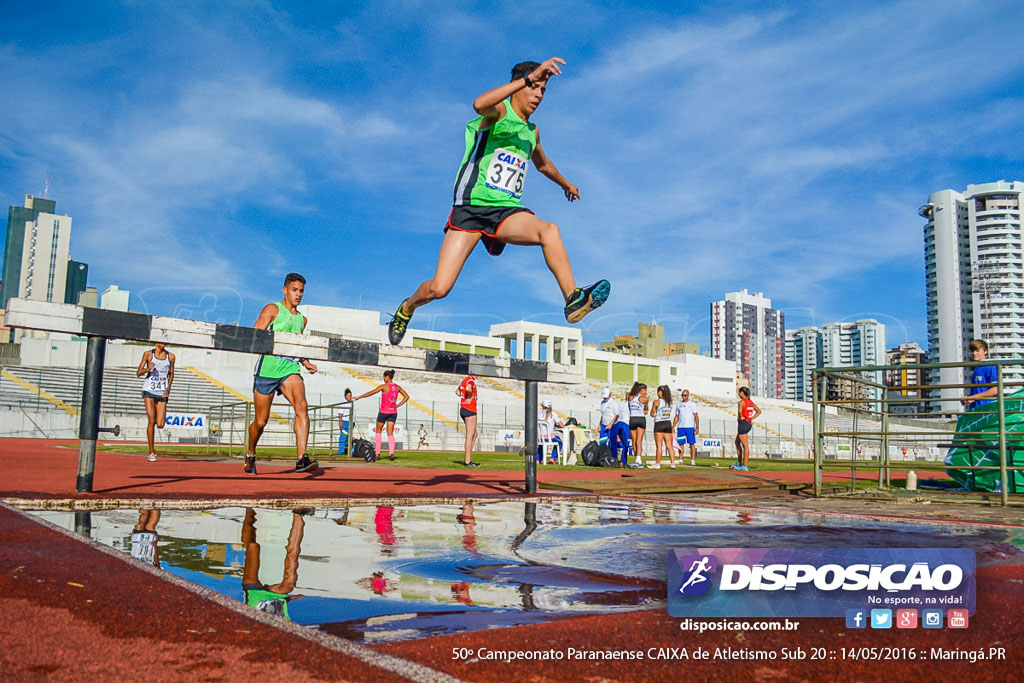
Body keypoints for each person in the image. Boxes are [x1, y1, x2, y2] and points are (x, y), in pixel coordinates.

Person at [386, 57, 610, 346]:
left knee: (549, 230)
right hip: (470, 208)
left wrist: (566, 183)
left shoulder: (532, 131)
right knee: (440, 288)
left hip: (505, 211)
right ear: (519, 86)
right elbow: (479, 104)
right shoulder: (499, 112)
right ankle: (407, 307)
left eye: (543, 90)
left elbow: (542, 164)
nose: (539, 96)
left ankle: (573, 299)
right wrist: (529, 77)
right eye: (535, 88)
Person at [244, 273, 319, 476]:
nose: (298, 294)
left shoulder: (302, 319)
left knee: (302, 406)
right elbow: (255, 334)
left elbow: (297, 347)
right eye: (295, 290)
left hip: (289, 369)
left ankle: (301, 458)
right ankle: (250, 453)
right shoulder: (273, 309)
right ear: (285, 290)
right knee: (260, 422)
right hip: (268, 370)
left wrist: (306, 362)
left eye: (301, 291)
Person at [241, 508, 307, 621]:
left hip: (253, 594)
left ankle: (249, 509)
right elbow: (279, 609)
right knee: (289, 584)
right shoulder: (290, 628)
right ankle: (299, 515)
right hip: (277, 595)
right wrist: (290, 599)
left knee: (253, 546)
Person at [355, 370, 409, 461]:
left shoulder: (384, 386)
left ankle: (377, 453)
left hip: (384, 411)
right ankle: (391, 453)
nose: (383, 379)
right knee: (390, 433)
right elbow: (407, 396)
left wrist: (359, 397)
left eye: (384, 377)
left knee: (378, 431)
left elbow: (371, 392)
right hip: (393, 412)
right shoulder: (397, 387)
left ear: (387, 377)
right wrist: (398, 405)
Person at [136, 343, 175, 462]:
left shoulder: (171, 357)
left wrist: (168, 389)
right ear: (156, 342)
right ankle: (151, 451)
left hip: (162, 392)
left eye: (165, 342)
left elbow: (171, 374)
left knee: (160, 424)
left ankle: (152, 450)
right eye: (161, 342)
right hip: (149, 390)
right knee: (151, 420)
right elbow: (138, 373)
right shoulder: (148, 354)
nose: (163, 344)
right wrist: (148, 369)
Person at [960, 339, 998, 411]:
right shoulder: (976, 369)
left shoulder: (990, 367)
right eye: (972, 351)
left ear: (985, 351)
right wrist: (968, 398)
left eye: (977, 350)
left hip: (987, 408)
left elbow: (996, 390)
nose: (974, 353)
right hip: (976, 408)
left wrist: (974, 397)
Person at [733, 387, 761, 471]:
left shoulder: (741, 402)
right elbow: (759, 411)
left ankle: (745, 466)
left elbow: (740, 411)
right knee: (737, 442)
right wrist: (751, 418)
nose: (738, 394)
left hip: (743, 424)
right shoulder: (750, 402)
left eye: (739, 392)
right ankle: (739, 463)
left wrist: (741, 417)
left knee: (745, 446)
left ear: (742, 393)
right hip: (748, 424)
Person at [649, 385, 676, 469]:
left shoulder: (657, 402)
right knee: (669, 446)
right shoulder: (670, 402)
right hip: (668, 423)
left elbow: (652, 414)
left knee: (659, 446)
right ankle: (672, 463)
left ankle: (657, 463)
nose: (657, 393)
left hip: (659, 424)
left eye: (658, 391)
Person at [457, 375, 480, 467]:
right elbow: (468, 389)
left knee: (475, 434)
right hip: (470, 409)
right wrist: (469, 397)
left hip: (463, 408)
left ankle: (468, 455)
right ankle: (467, 461)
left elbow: (458, 392)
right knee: (470, 436)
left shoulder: (465, 380)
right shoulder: (470, 381)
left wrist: (464, 397)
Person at [673, 389, 700, 467]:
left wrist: (697, 427)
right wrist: (673, 426)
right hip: (681, 427)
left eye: (685, 395)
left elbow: (696, 416)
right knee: (681, 444)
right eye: (682, 395)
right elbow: (677, 416)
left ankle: (692, 460)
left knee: (692, 444)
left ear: (688, 395)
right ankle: (681, 459)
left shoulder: (692, 404)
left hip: (690, 427)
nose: (683, 397)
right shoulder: (678, 405)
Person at [627, 382, 648, 467]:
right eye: (645, 390)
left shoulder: (630, 397)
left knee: (634, 441)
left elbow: (629, 408)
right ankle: (638, 460)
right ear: (641, 390)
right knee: (639, 441)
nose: (646, 392)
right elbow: (646, 410)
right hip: (640, 418)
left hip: (632, 418)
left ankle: (637, 458)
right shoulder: (645, 399)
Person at [538, 399, 564, 463]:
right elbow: (561, 425)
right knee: (559, 442)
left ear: (542, 405)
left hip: (539, 437)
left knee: (541, 445)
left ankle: (538, 459)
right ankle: (553, 458)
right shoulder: (553, 414)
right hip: (549, 437)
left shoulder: (538, 413)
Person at [337, 388, 353, 455]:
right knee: (343, 436)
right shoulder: (343, 404)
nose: (349, 397)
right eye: (348, 395)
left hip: (351, 422)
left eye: (350, 395)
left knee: (349, 437)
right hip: (345, 422)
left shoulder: (351, 402)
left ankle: (347, 450)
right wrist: (340, 422)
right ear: (345, 396)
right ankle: (341, 450)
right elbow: (340, 414)